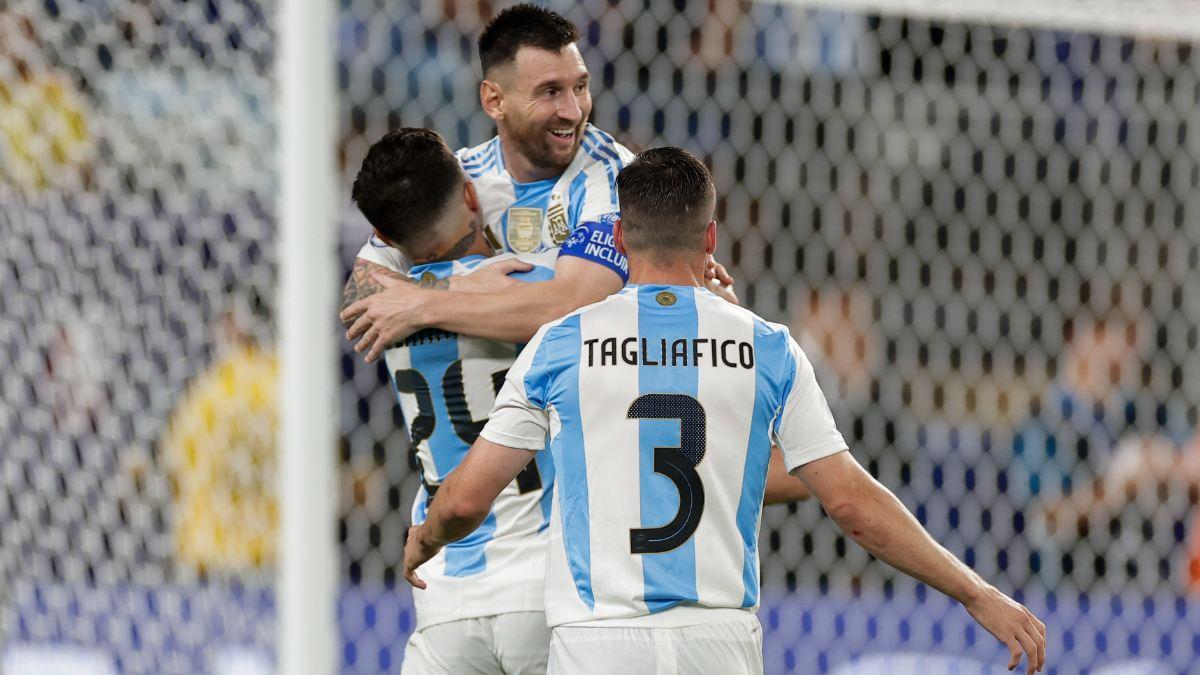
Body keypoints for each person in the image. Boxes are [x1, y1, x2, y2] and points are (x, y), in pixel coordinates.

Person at [402, 148, 1047, 674]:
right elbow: (850, 503)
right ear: (710, 235)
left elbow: (465, 501)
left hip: (599, 640)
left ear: (621, 237)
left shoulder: (561, 342)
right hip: (718, 639)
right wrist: (975, 590)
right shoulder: (765, 345)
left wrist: (426, 537)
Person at [352, 128, 808, 672]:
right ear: (471, 196)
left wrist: (428, 299)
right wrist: (701, 289)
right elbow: (616, 293)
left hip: (446, 589)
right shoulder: (540, 292)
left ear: (383, 234)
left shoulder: (384, 308)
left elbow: (360, 290)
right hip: (545, 582)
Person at [339, 3, 736, 354]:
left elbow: (570, 307)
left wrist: (423, 302)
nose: (573, 111)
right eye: (550, 92)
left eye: (580, 86)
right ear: (494, 100)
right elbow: (361, 296)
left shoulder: (615, 175)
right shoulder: (458, 177)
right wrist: (466, 285)